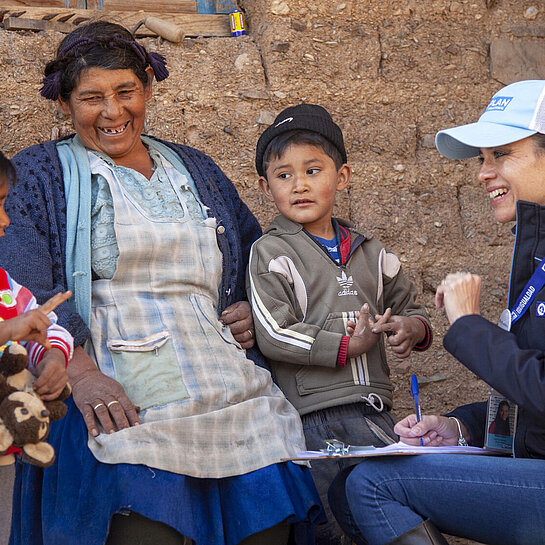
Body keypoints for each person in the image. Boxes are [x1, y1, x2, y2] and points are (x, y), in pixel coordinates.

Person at [0, 22, 323, 545]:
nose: (112, 112)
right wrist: (81, 377)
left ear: (148, 87)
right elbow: (19, 282)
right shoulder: (37, 174)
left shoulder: (195, 168)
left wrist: (249, 303)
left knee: (265, 514)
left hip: (221, 375)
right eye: (91, 98)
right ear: (63, 104)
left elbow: (251, 249)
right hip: (112, 376)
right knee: (145, 516)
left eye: (126, 92)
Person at [330, 79, 545, 545]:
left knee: (373, 485)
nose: (484, 173)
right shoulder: (535, 250)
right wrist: (460, 427)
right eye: (481, 159)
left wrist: (468, 327)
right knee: (349, 489)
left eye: (502, 154)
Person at [248, 104, 432, 544]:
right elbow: (274, 333)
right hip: (313, 422)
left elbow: (414, 309)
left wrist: (411, 329)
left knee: (401, 518)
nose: (300, 185)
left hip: (375, 415)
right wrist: (348, 346)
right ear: (264, 185)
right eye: (284, 175)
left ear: (342, 177)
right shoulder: (270, 253)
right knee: (332, 528)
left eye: (313, 170)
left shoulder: (373, 253)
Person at [0, 151, 73, 545]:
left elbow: (46, 323)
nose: (5, 220)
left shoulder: (5, 286)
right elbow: (16, 326)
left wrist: (53, 357)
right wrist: (10, 328)